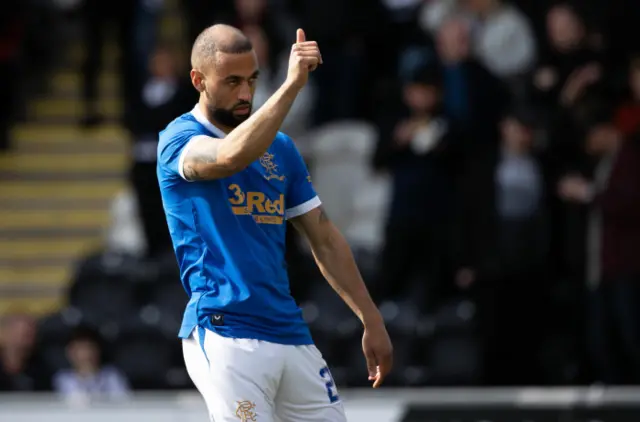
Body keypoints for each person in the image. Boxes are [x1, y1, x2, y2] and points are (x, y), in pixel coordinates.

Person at [156, 24, 393, 421]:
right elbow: (230, 156)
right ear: (198, 80)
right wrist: (292, 86)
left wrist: (370, 317)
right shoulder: (179, 139)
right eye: (231, 81)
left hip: (289, 332)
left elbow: (325, 238)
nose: (245, 93)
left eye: (251, 80)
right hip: (225, 330)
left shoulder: (280, 149)